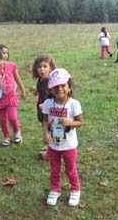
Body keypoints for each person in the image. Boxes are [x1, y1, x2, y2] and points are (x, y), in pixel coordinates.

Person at [42, 68, 83, 206]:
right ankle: (55, 189)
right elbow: (45, 120)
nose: (59, 89)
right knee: (54, 169)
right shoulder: (48, 103)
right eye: (55, 86)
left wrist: (69, 122)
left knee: (70, 169)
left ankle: (75, 189)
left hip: (69, 145)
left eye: (63, 85)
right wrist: (46, 133)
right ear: (50, 89)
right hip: (53, 144)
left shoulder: (74, 104)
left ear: (69, 87)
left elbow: (79, 122)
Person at [29, 54, 56, 160]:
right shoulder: (40, 81)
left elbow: (56, 97)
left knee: (52, 129)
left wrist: (47, 105)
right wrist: (35, 92)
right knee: (45, 130)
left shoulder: (52, 82)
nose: (42, 69)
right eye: (39, 67)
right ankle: (49, 146)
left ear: (51, 68)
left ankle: (54, 151)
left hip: (51, 111)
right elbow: (40, 94)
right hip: (41, 110)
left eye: (45, 66)